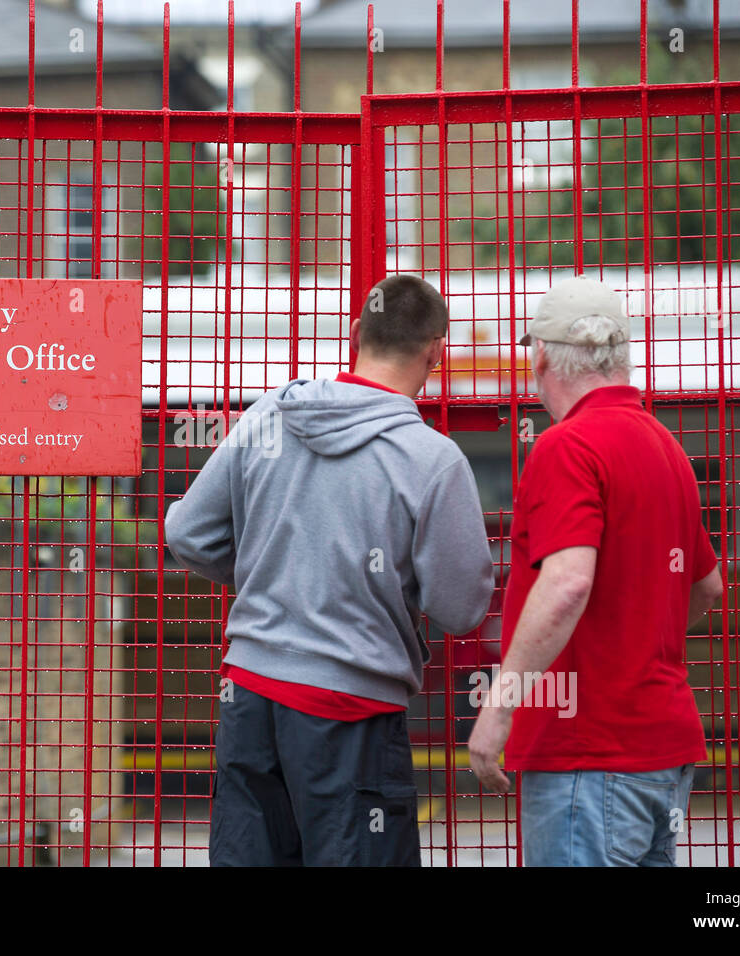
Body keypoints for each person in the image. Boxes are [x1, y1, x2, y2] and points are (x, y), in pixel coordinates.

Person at [165, 274, 494, 866]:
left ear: (355, 334)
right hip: (353, 707)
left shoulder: (270, 414)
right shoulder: (432, 459)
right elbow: (461, 606)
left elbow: (188, 533)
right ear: (436, 352)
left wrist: (273, 568)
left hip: (250, 695)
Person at [468, 274, 723, 866]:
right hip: (662, 744)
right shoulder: (666, 447)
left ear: (540, 357)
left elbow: (567, 582)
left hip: (585, 750)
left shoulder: (567, 446)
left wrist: (499, 708)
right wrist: (634, 638)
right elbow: (706, 584)